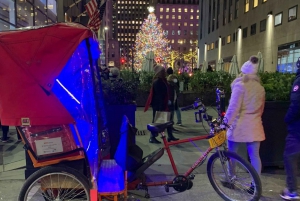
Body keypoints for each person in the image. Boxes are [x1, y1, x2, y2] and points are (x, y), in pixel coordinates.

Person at [224, 56, 266, 193]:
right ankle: (255, 185)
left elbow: (233, 108)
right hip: (255, 125)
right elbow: (261, 109)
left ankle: (231, 178)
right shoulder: (260, 88)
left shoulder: (239, 86)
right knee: (255, 156)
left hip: (239, 125)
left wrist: (225, 124)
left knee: (232, 154)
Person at [280, 58, 300, 200]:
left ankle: (292, 190)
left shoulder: (298, 82)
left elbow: (296, 104)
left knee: (290, 156)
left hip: (297, 128)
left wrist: (286, 118)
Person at [144, 64, 179, 144]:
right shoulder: (157, 82)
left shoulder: (164, 81)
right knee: (157, 121)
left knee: (168, 120)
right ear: (159, 73)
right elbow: (159, 95)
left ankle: (170, 136)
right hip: (159, 105)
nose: (165, 72)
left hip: (164, 104)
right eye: (163, 71)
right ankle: (152, 137)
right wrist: (161, 107)